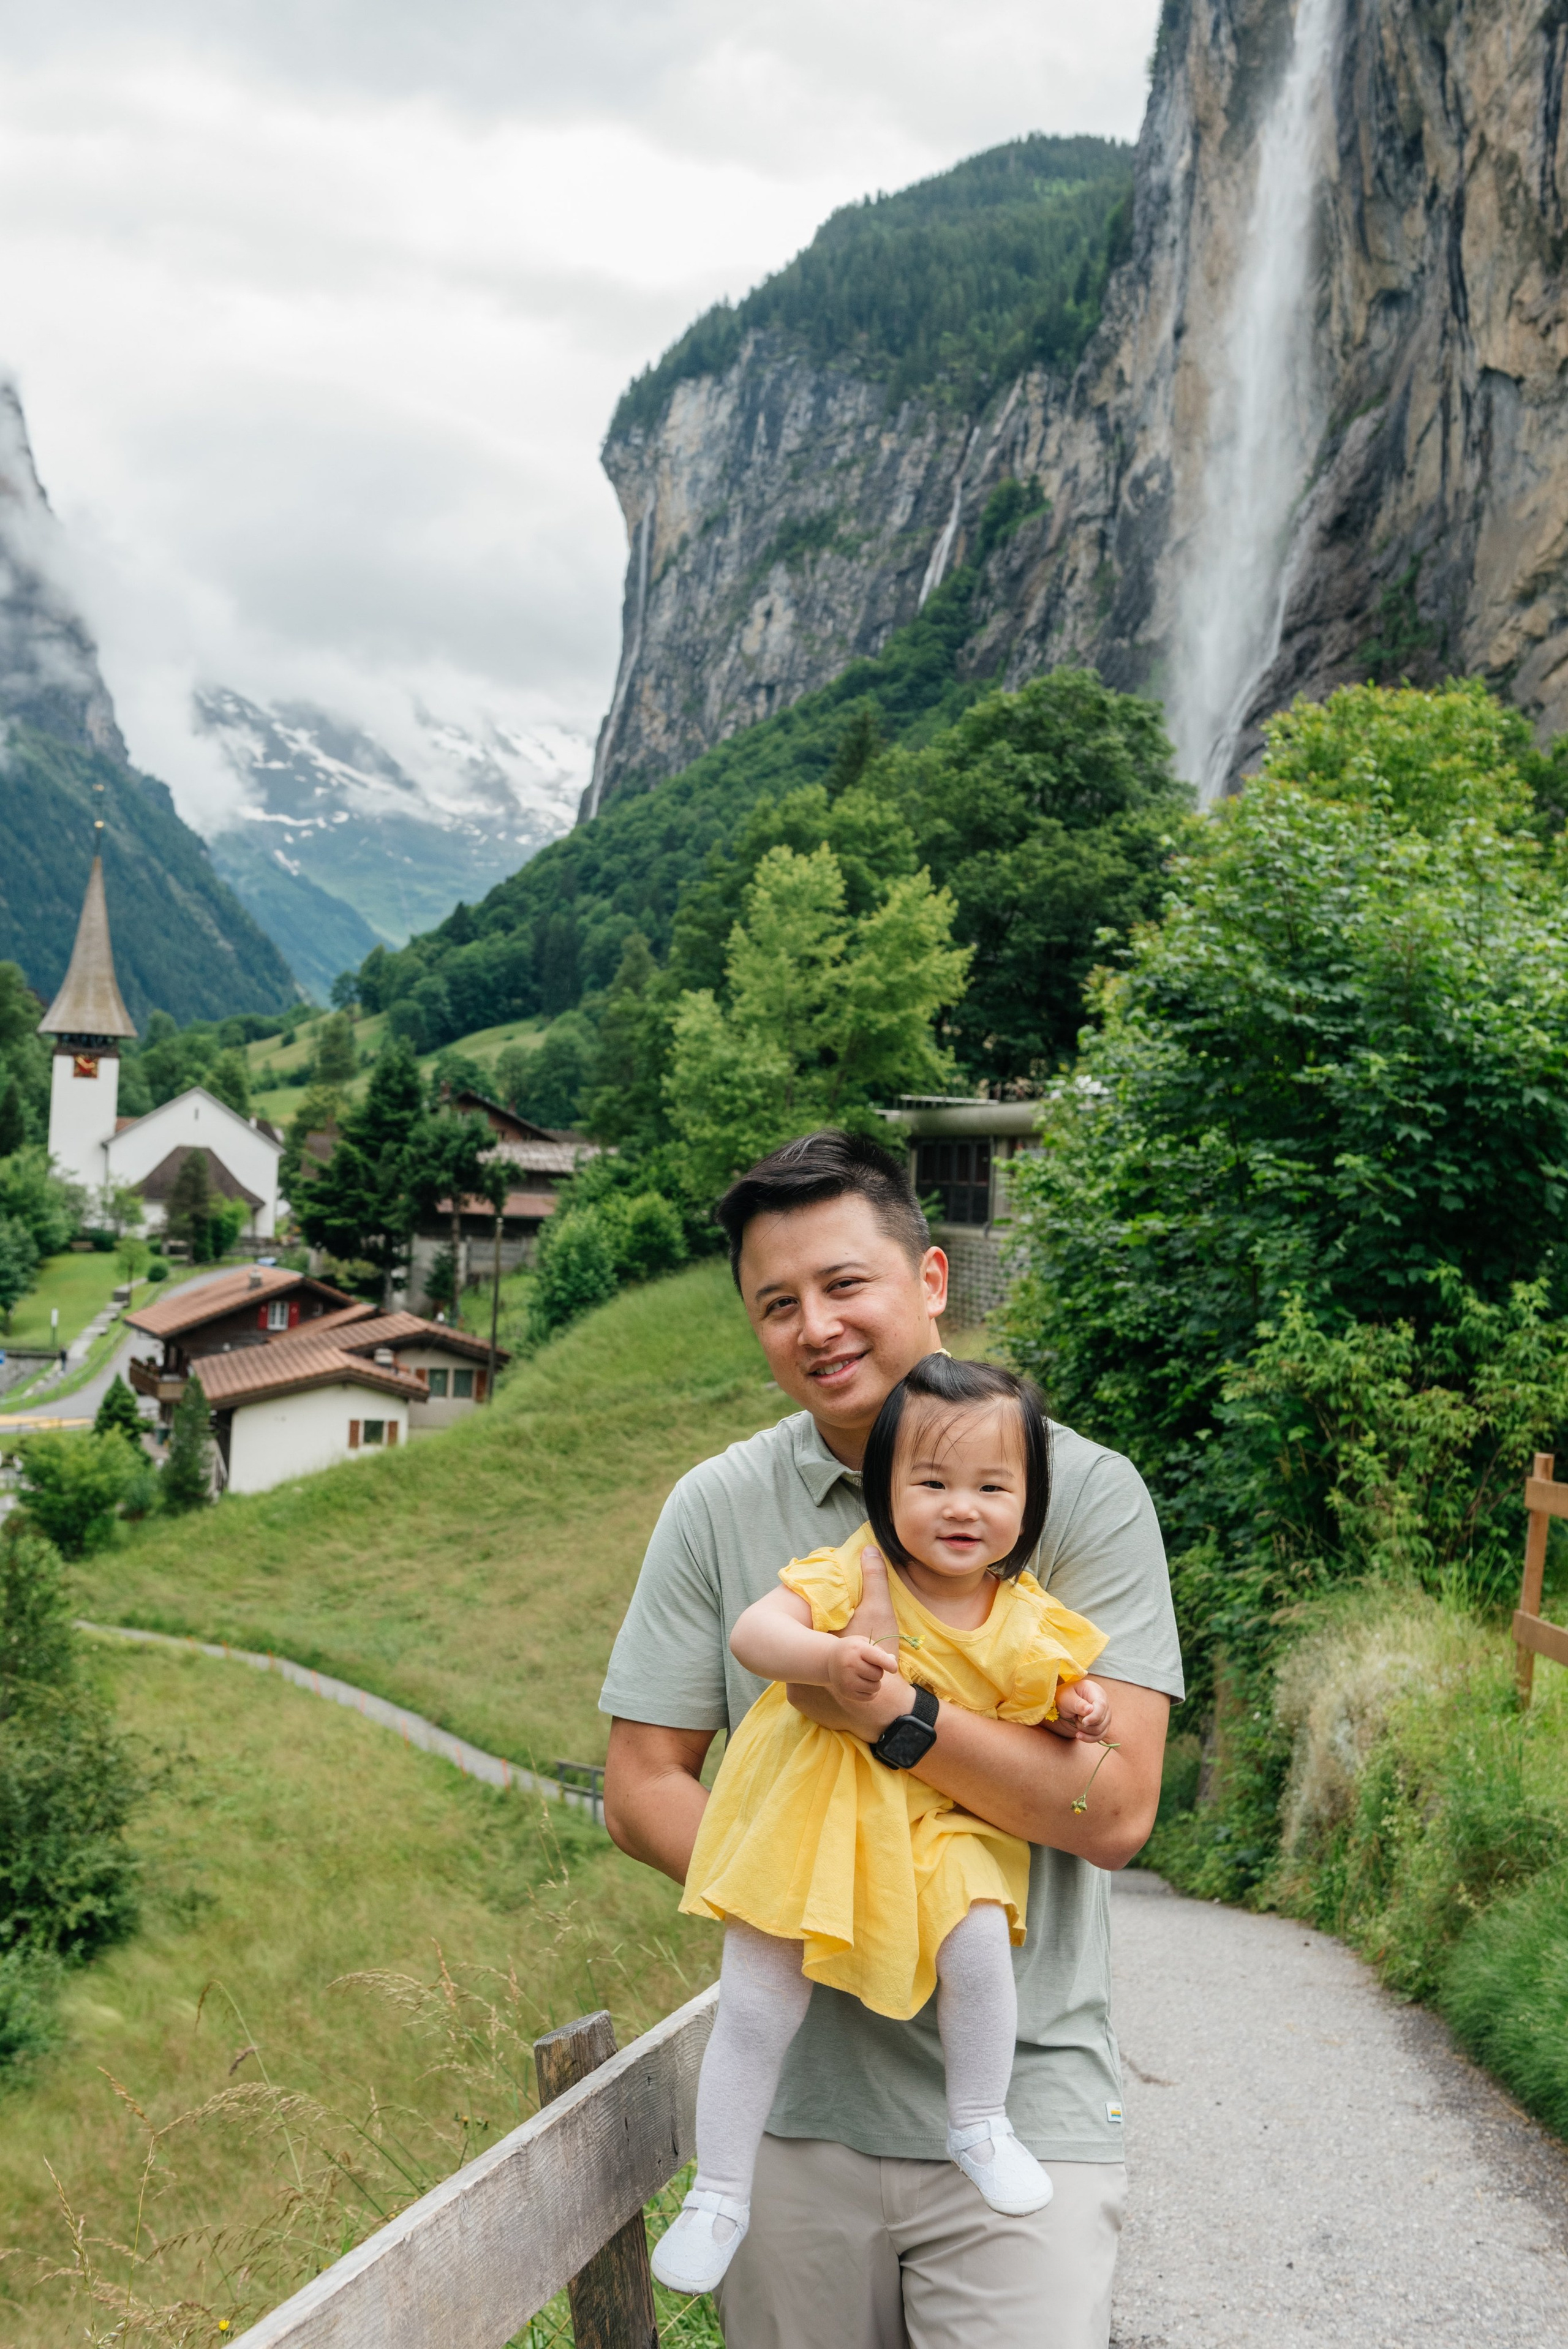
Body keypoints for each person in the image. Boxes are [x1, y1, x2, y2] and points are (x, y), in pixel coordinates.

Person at [600, 1129, 1184, 2349]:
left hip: (1028, 2103)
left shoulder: (1074, 1494)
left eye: (841, 1284)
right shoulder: (718, 1507)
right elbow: (641, 1782)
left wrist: (898, 1720)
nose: (812, 1325)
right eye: (775, 1302)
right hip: (797, 2118)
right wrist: (810, 1888)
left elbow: (1116, 1809)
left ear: (928, 1280)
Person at [651, 1355, 1114, 2296]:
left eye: (992, 1487)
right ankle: (722, 2192)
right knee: (756, 2000)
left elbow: (1049, 1704)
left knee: (981, 1946)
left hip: (936, 1830)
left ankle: (979, 2122)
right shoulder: (852, 1570)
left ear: (1029, 1503)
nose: (961, 1507)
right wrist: (828, 1658)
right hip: (813, 1812)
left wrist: (1080, 1710)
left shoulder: (1026, 1618)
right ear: (884, 1488)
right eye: (931, 1483)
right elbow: (754, 1635)